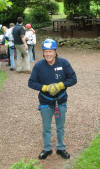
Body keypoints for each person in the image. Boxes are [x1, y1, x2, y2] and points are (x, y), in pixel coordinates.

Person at [28, 39, 77, 160]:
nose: (48, 54)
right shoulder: (39, 66)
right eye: (45, 51)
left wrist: (61, 85)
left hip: (60, 101)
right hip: (45, 102)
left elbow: (73, 79)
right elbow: (31, 82)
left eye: (50, 51)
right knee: (46, 127)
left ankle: (61, 148)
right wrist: (44, 88)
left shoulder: (64, 63)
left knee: (60, 127)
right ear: (43, 52)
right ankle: (47, 149)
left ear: (55, 52)